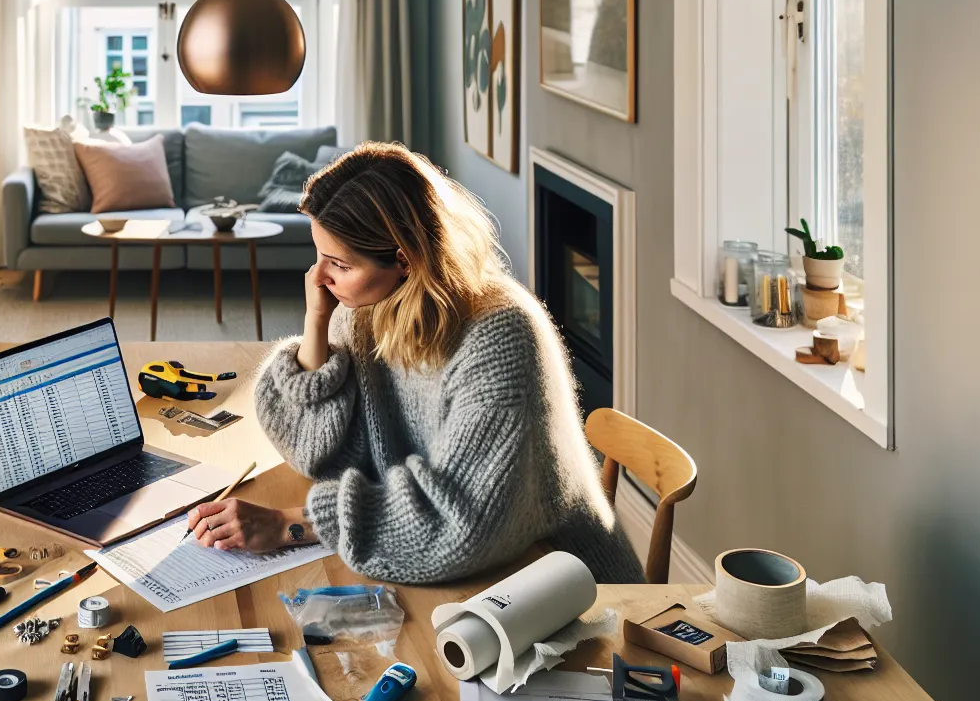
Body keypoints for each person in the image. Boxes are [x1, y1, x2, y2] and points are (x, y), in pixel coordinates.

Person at [185, 142, 644, 585]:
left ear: (404, 260)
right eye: (318, 255)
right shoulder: (369, 306)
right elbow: (312, 449)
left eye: (339, 264)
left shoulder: (500, 338)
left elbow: (460, 521)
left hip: (566, 586)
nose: (317, 278)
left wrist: (289, 525)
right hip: (478, 576)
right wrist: (316, 322)